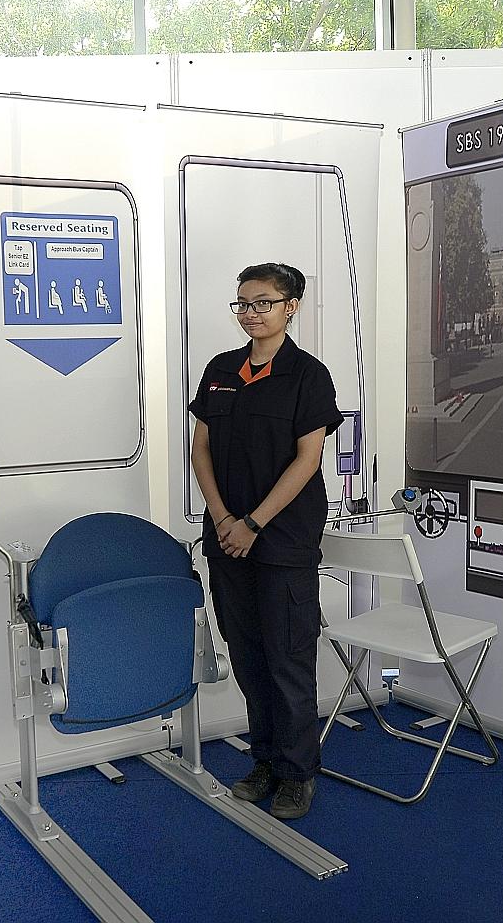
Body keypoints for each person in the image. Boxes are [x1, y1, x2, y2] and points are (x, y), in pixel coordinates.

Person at [188, 262, 342, 821]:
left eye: (263, 303)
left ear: (290, 306)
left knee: (288, 661)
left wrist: (252, 523)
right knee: (249, 658)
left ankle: (298, 774)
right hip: (227, 540)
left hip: (281, 544)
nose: (251, 313)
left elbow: (308, 459)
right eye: (243, 304)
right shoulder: (219, 370)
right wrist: (225, 517)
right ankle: (266, 761)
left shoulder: (308, 375)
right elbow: (200, 447)